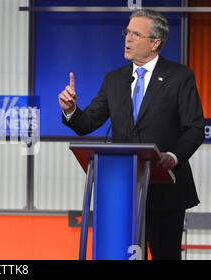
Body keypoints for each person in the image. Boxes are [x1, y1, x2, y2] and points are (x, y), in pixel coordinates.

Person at [58, 9, 204, 260]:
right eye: (127, 32)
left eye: (136, 34)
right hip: (121, 191)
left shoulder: (180, 77)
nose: (128, 38)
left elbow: (195, 128)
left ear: (155, 43)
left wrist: (173, 156)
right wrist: (71, 110)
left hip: (165, 191)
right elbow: (87, 123)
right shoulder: (114, 79)